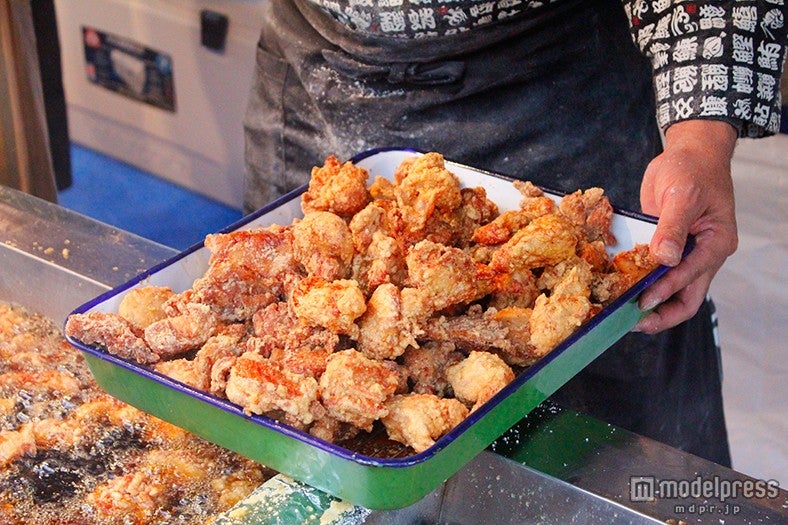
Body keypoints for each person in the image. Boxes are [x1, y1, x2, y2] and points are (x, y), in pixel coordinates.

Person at [243, 0, 786, 466]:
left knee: (618, 446)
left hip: (554, 85)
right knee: (275, 376)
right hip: (318, 69)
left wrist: (700, 144)